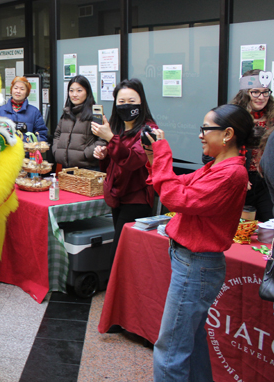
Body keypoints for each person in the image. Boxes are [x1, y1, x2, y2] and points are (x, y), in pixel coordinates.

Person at [143, 104, 255, 382]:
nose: (201, 135)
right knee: (189, 343)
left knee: (170, 350)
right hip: (192, 262)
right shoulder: (219, 167)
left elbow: (175, 199)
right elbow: (177, 184)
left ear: (228, 134)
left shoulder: (231, 174)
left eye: (206, 129)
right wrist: (153, 155)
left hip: (196, 265)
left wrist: (162, 153)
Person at [92, 78, 157, 288]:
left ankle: (119, 304)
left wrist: (110, 139)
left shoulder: (149, 130)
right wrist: (103, 155)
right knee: (123, 254)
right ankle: (119, 302)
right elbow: (115, 165)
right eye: (121, 101)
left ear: (141, 102)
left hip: (138, 199)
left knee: (122, 255)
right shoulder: (119, 128)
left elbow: (134, 160)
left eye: (132, 100)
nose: (126, 105)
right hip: (118, 197)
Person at [230, 69, 274, 222]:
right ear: (245, 93)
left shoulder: (272, 117)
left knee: (269, 222)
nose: (261, 97)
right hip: (241, 179)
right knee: (241, 226)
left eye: (265, 92)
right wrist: (237, 174)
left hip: (266, 179)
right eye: (255, 92)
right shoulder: (233, 116)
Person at [53, 75, 105, 169]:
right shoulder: (66, 112)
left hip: (87, 168)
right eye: (71, 90)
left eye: (79, 90)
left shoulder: (95, 113)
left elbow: (103, 139)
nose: (74, 94)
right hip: (66, 168)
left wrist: (86, 154)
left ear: (87, 92)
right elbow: (57, 134)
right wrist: (57, 150)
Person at [0, 76, 48, 141]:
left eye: (22, 89)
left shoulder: (34, 112)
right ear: (11, 90)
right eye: (15, 88)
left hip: (27, 150)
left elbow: (41, 134)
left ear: (27, 92)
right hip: (8, 150)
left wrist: (32, 146)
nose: (18, 91)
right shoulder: (1, 111)